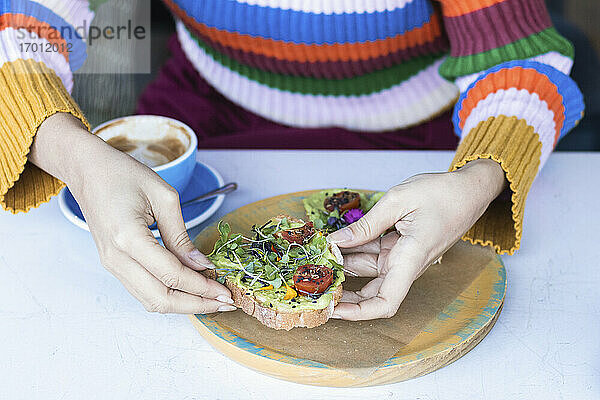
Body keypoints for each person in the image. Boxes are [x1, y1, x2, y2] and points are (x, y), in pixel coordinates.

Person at [0, 0, 584, 319]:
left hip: (426, 145)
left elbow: (520, 68)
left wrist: (482, 176)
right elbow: (17, 26)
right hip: (205, 113)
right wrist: (77, 157)